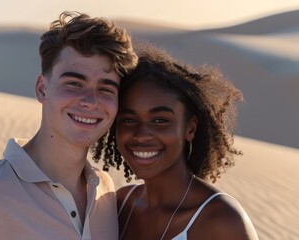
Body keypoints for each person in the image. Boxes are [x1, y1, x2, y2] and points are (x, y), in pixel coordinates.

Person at [0, 11, 138, 240]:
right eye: (74, 83)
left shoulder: (105, 192)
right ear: (42, 88)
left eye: (105, 89)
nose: (90, 101)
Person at [92, 44, 259, 240]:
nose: (141, 134)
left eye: (160, 120)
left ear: (190, 128)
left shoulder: (221, 220)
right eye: (128, 120)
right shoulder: (120, 204)